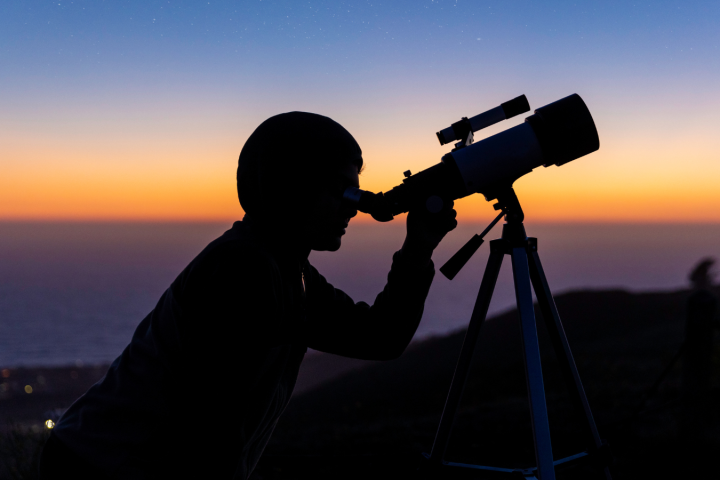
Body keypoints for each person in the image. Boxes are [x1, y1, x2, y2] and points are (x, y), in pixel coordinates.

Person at [39, 112, 457, 479]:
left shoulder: (288, 267)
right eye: (341, 191)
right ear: (291, 187)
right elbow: (207, 430)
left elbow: (380, 338)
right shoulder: (243, 268)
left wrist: (418, 248)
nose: (353, 208)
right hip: (104, 467)